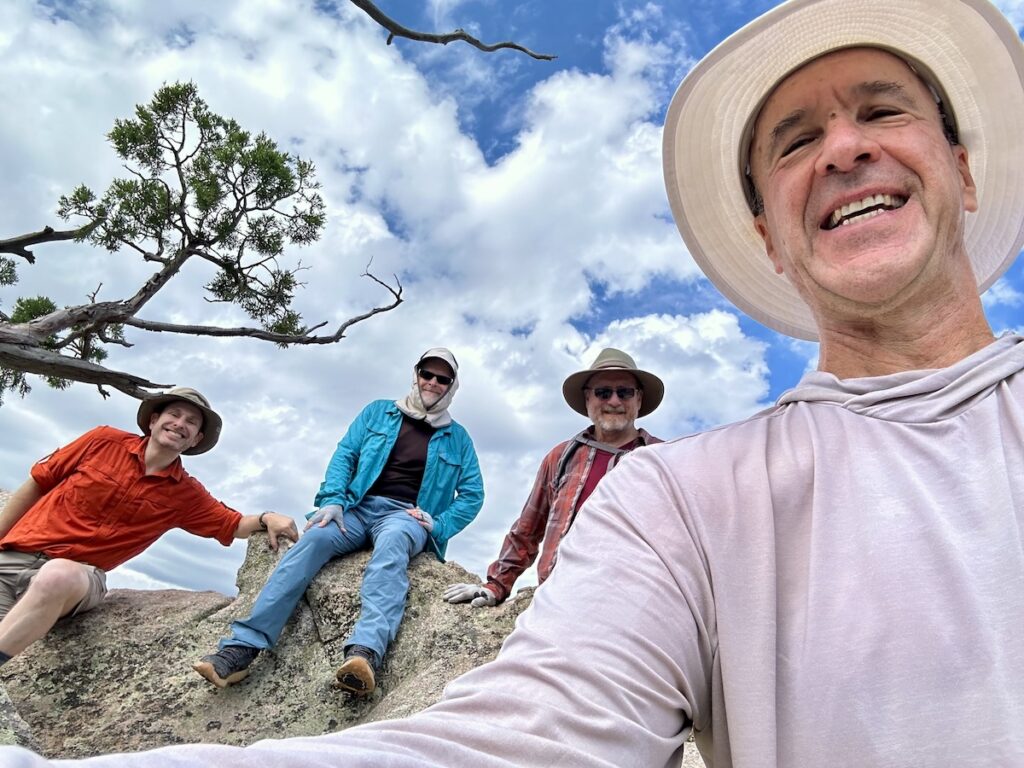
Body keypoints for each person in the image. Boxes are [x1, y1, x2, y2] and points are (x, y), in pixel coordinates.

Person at [5, 0, 1024, 765]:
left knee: (403, 538)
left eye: (882, 111)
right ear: (767, 233)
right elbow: (537, 730)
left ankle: (363, 649)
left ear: (963, 168)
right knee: (331, 533)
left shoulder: (630, 472)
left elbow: (473, 500)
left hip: (426, 534)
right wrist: (445, 555)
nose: (844, 148)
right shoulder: (689, 499)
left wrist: (455, 545)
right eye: (796, 141)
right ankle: (245, 643)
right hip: (492, 562)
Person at [193, 347, 484, 695]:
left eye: (443, 379)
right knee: (312, 541)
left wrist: (437, 524)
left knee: (391, 549)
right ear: (416, 374)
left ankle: (364, 654)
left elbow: (472, 494)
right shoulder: (378, 412)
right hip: (356, 508)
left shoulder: (459, 438)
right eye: (427, 374)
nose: (433, 383)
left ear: (452, 386)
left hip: (404, 516)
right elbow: (346, 454)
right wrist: (332, 500)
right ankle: (240, 648)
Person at [0, 387, 297, 667]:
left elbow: (231, 524)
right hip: (13, 559)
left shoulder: (185, 494)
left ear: (195, 439)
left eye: (191, 423)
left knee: (57, 574)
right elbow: (38, 482)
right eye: (174, 414)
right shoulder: (102, 441)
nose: (180, 424)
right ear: (154, 420)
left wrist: (267, 517)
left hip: (75, 579)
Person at [444, 348, 663, 608]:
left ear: (638, 399)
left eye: (624, 392)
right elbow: (527, 529)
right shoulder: (560, 457)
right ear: (587, 399)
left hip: (633, 602)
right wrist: (495, 585)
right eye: (603, 392)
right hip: (560, 597)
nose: (614, 401)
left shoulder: (663, 459)